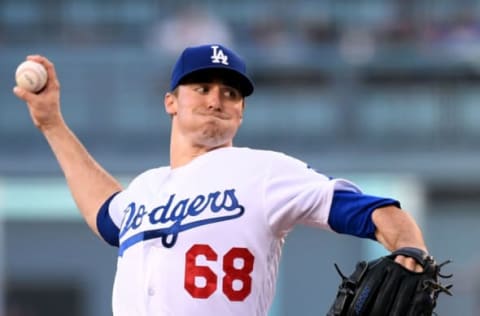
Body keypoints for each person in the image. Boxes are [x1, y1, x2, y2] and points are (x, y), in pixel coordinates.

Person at [14, 44, 428, 316]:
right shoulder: (145, 189)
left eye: (231, 93)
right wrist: (51, 124)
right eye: (202, 87)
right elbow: (105, 214)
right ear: (171, 102)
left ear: (242, 112)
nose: (217, 99)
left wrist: (411, 248)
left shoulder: (264, 172)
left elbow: (375, 211)